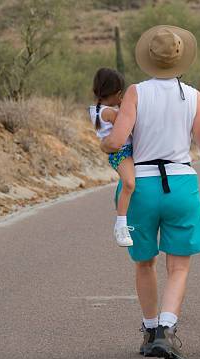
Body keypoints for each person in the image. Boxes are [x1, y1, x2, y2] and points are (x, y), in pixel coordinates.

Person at [100, 25, 200, 359]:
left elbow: (116, 140)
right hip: (181, 183)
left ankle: (150, 329)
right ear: (181, 60)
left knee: (144, 262)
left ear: (148, 60)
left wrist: (104, 142)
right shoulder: (194, 96)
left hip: (141, 184)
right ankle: (168, 330)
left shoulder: (136, 94)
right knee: (179, 266)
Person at [89, 68, 135, 247]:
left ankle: (121, 201)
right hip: (121, 152)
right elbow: (127, 123)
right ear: (117, 93)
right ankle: (121, 224)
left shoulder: (98, 109)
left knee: (132, 183)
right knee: (130, 183)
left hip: (123, 151)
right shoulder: (109, 112)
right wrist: (127, 104)